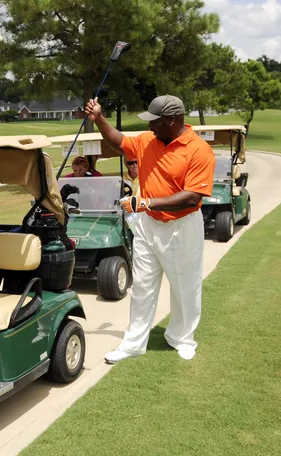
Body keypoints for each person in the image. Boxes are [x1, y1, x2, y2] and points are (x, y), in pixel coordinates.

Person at [84, 94, 215, 362]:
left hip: (182, 225)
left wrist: (146, 203)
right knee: (142, 285)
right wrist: (98, 118)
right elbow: (117, 141)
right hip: (148, 223)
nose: (150, 126)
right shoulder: (147, 141)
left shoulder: (199, 150)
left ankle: (181, 337)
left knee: (184, 287)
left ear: (172, 120)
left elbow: (192, 197)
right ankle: (134, 343)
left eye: (154, 121)